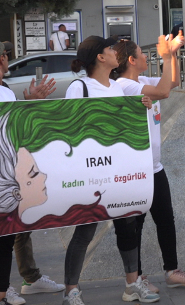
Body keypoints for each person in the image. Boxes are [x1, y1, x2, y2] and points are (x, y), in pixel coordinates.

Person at [63, 36, 159, 305]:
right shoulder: (80, 87)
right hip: (90, 173)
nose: (115, 52)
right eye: (109, 49)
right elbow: (71, 128)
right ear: (99, 57)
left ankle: (132, 285)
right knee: (85, 231)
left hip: (118, 171)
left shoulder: (117, 87)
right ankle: (71, 290)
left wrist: (141, 108)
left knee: (127, 225)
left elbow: (127, 123)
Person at [112, 33, 185, 291]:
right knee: (134, 226)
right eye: (142, 53)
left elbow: (171, 82)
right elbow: (163, 91)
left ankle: (172, 271)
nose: (145, 57)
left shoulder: (141, 81)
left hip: (154, 167)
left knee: (166, 220)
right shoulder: (123, 86)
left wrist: (172, 54)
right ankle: (136, 277)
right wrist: (164, 55)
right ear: (131, 59)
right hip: (134, 169)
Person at [0, 39, 63, 305]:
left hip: (6, 190)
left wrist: (29, 104)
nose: (0, 60)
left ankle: (2, 289)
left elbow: (16, 134)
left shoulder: (6, 95)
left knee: (4, 243)